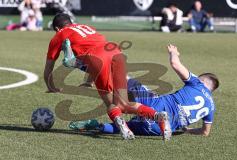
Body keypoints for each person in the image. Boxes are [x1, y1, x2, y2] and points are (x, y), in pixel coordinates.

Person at [44, 13, 172, 140]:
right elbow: (95, 50)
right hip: (115, 51)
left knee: (111, 104)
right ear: (71, 22)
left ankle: (125, 130)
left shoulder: (59, 35)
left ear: (56, 28)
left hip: (97, 58)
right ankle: (158, 116)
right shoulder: (85, 27)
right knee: (124, 103)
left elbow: (48, 68)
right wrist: (89, 81)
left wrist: (51, 86)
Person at [70, 45, 219, 137]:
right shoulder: (211, 107)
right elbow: (205, 132)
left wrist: (174, 53)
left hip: (155, 105)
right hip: (156, 129)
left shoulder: (197, 83)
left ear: (202, 80)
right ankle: (99, 126)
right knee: (125, 127)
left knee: (120, 76)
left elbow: (175, 63)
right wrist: (187, 130)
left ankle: (78, 63)